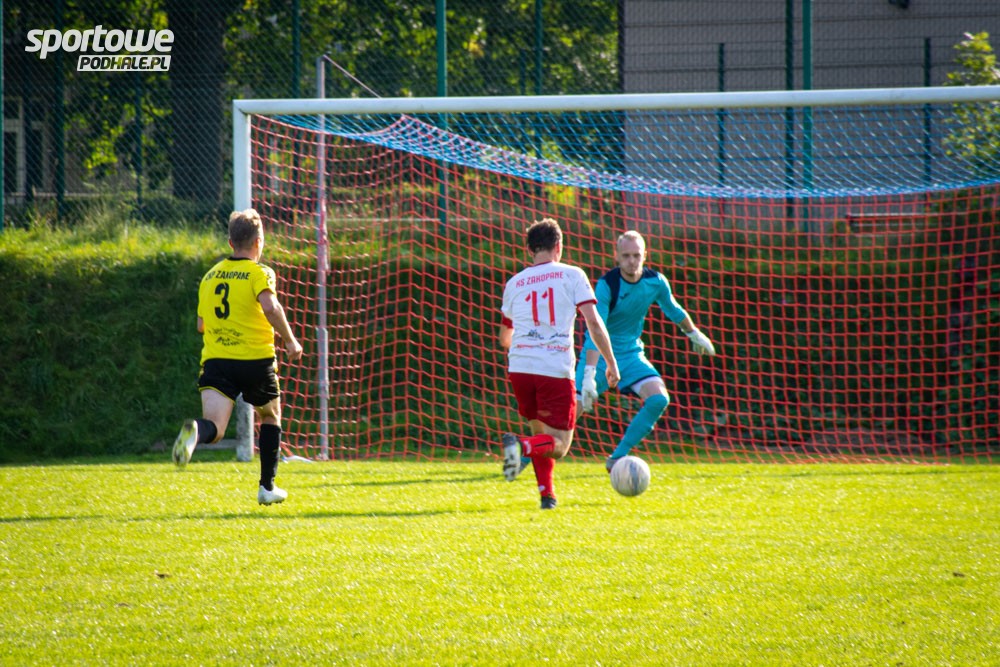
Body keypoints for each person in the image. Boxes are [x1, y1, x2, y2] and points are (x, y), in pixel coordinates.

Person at [172, 208, 304, 506]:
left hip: (217, 361)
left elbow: (201, 325)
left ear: (231, 243)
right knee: (270, 415)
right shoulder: (260, 273)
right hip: (255, 360)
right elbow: (270, 307)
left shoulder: (210, 276)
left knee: (215, 428)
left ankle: (195, 432)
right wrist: (290, 340)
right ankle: (267, 487)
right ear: (258, 242)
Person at [499, 218, 620, 510]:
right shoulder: (572, 274)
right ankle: (521, 447)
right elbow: (593, 322)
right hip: (553, 369)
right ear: (559, 246)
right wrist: (611, 363)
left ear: (530, 249)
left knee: (541, 433)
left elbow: (505, 338)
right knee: (560, 445)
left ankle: (547, 496)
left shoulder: (514, 283)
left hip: (520, 368)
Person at [575, 230, 716, 472]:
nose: (632, 261)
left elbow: (673, 308)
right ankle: (526, 456)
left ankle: (617, 457)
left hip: (631, 355)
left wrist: (693, 333)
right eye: (626, 256)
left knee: (659, 399)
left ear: (645, 256)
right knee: (569, 415)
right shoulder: (607, 285)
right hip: (601, 356)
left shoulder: (656, 282)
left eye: (636, 255)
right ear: (616, 256)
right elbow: (595, 330)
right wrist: (589, 373)